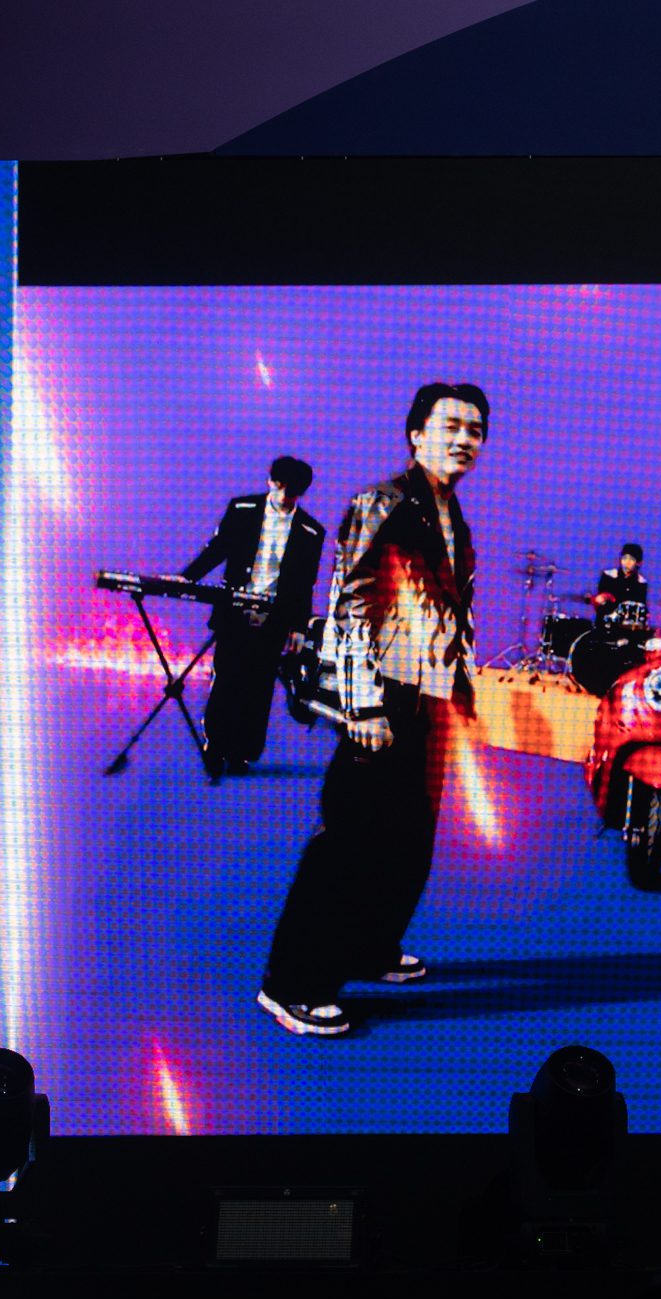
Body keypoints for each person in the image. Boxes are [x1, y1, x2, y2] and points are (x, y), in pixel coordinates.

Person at [257, 382, 487, 1036]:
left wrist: (460, 691)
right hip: (383, 694)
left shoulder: (452, 514)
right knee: (350, 840)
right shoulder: (381, 502)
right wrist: (362, 704)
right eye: (451, 426)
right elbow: (351, 603)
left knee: (409, 839)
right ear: (416, 434)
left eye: (475, 430)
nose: (465, 439)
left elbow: (453, 613)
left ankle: (368, 945)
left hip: (429, 700)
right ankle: (291, 984)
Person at [180, 455, 325, 780]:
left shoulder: (311, 531)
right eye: (281, 488)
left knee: (258, 689)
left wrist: (298, 628)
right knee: (226, 680)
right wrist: (186, 578)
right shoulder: (242, 509)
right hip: (235, 611)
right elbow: (216, 549)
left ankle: (242, 753)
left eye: (293, 492)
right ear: (271, 482)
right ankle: (215, 747)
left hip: (274, 618)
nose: (285, 497)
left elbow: (305, 584)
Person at [593, 542, 650, 627]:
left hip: (627, 626)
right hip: (605, 623)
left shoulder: (641, 582)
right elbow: (600, 600)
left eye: (631, 559)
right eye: (624, 558)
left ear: (638, 563)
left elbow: (640, 606)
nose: (627, 562)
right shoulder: (609, 575)